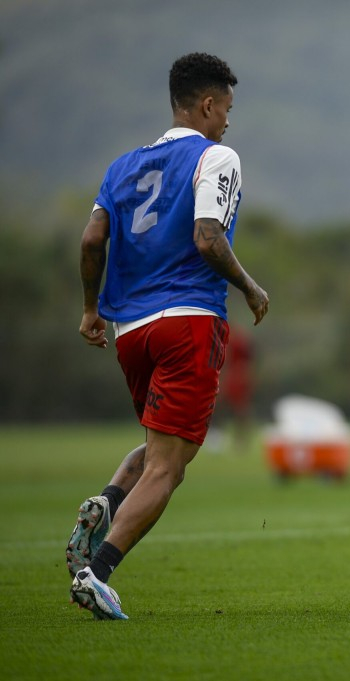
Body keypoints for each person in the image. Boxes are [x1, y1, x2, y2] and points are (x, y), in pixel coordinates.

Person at [68, 52, 270, 620]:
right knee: (170, 466)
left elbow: (90, 242)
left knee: (160, 447)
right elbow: (208, 238)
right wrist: (251, 287)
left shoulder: (122, 166)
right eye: (226, 108)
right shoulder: (216, 156)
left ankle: (107, 501)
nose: (228, 121)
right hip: (189, 321)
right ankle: (97, 573)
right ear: (207, 105)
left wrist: (90, 310)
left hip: (131, 330)